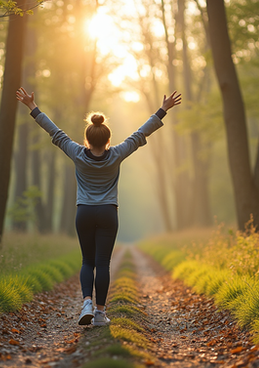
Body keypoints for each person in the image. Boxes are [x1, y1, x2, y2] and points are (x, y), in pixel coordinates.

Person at [16, 87, 182, 326]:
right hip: (107, 213)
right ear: (107, 139)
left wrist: (32, 107)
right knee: (103, 263)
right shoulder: (116, 154)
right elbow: (140, 133)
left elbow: (54, 131)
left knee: (87, 261)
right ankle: (100, 313)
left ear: (87, 138)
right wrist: (162, 110)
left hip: (84, 212)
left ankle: (85, 302)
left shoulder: (77, 153)